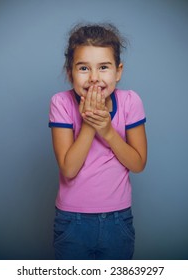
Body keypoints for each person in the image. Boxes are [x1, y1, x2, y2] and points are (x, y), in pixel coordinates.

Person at [48, 22, 147, 260]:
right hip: (73, 221)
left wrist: (108, 131)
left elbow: (138, 164)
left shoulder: (130, 102)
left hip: (117, 219)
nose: (94, 78)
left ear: (118, 71)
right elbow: (69, 169)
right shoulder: (60, 103)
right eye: (84, 68)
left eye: (103, 67)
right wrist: (90, 124)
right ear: (70, 72)